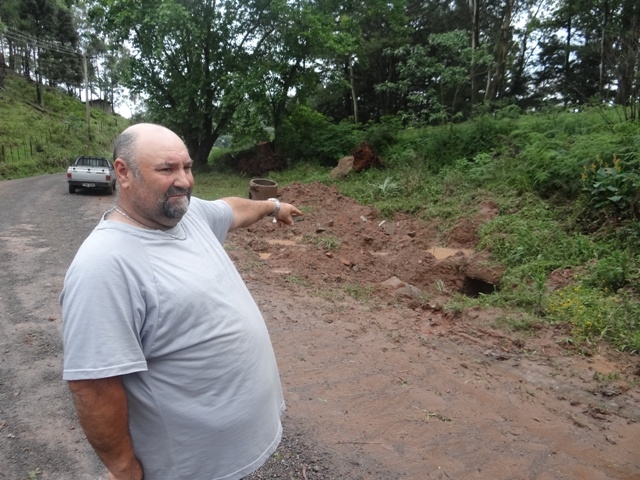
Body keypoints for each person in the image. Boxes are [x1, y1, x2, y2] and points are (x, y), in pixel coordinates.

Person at [60, 123, 302, 480]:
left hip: (230, 456)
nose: (184, 180)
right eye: (167, 169)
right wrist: (124, 469)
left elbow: (231, 209)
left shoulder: (189, 216)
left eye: (187, 167)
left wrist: (271, 205)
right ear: (123, 173)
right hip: (190, 468)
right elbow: (93, 384)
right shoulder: (104, 264)